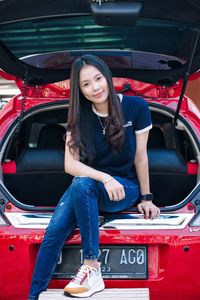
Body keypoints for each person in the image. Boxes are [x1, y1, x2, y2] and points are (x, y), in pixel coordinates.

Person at [28, 54, 160, 299]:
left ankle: (91, 267)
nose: (95, 87)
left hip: (125, 187)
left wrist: (146, 197)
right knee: (53, 233)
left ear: (107, 77)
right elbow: (70, 165)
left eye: (98, 78)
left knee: (82, 184)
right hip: (88, 187)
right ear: (79, 90)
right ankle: (34, 295)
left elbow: (140, 157)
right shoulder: (79, 116)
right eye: (86, 84)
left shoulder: (136, 107)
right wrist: (104, 178)